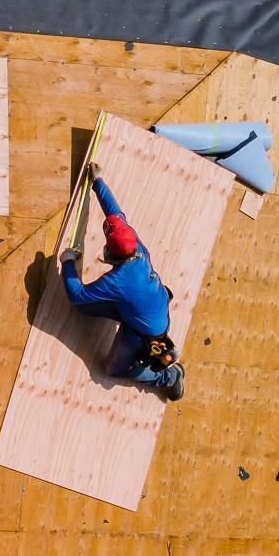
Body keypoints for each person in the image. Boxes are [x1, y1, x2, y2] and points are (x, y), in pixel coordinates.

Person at [60, 163, 185, 401]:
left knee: (111, 370)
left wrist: (67, 263)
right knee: (84, 307)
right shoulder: (132, 241)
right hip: (151, 306)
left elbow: (77, 294)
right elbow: (114, 212)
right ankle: (136, 321)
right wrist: (98, 182)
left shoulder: (117, 281)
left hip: (142, 333)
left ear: (114, 256)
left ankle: (169, 377)